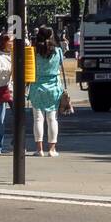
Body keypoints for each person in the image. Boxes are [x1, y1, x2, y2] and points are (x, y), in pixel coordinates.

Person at [28, 26, 64, 157]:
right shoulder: (58, 51)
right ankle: (52, 149)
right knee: (52, 119)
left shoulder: (34, 51)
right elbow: (60, 65)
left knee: (38, 119)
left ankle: (39, 149)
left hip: (37, 86)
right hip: (54, 86)